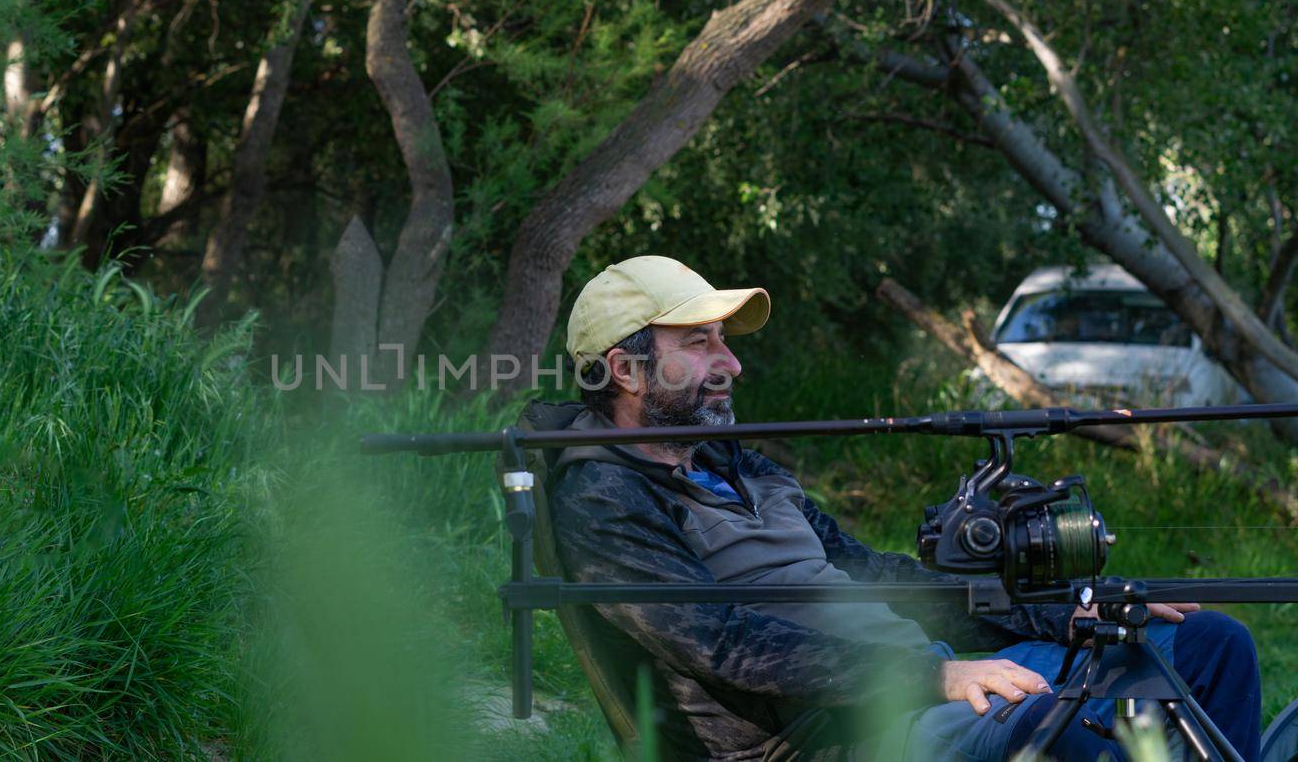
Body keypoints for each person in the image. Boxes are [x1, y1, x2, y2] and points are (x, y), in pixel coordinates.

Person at [523, 255, 1261, 760]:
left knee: (1210, 648)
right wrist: (936, 680)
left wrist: (1061, 614)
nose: (732, 364)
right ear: (625, 367)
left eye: (724, 341)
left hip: (924, 673)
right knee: (1060, 723)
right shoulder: (603, 498)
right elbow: (724, 647)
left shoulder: (736, 463)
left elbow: (876, 574)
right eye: (701, 343)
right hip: (835, 728)